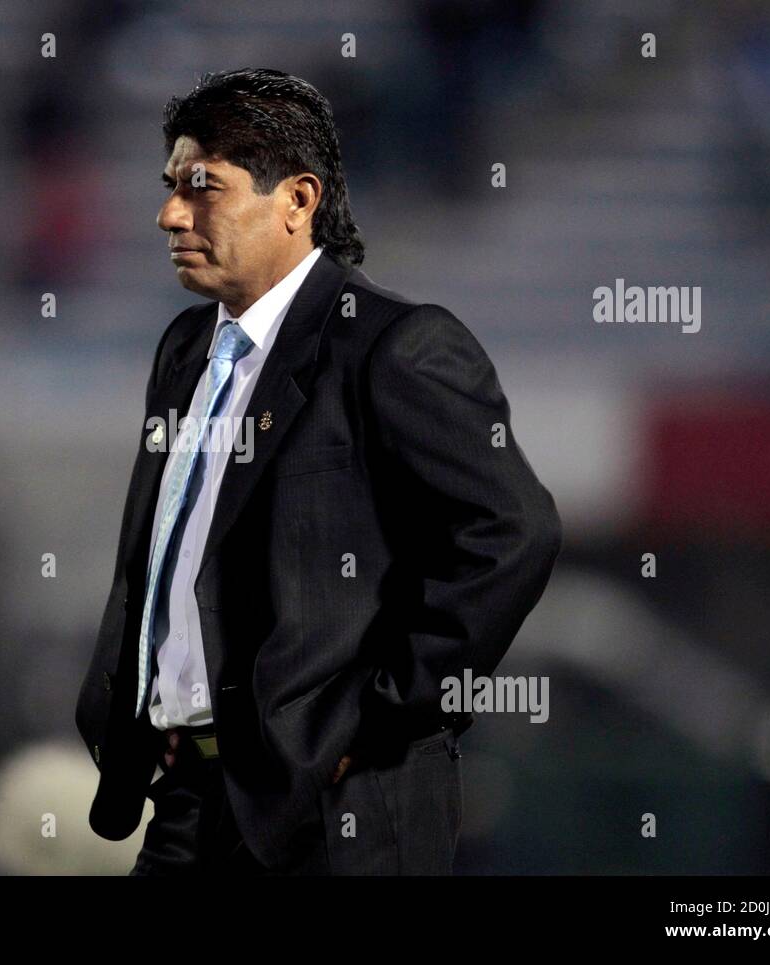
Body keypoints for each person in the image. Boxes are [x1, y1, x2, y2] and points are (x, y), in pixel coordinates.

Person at [74, 67, 562, 874]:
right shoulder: (183, 351)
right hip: (191, 797)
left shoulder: (396, 345)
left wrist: (372, 721)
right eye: (170, 187)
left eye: (203, 189)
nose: (168, 214)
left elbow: (513, 533)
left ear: (298, 199)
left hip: (341, 808)